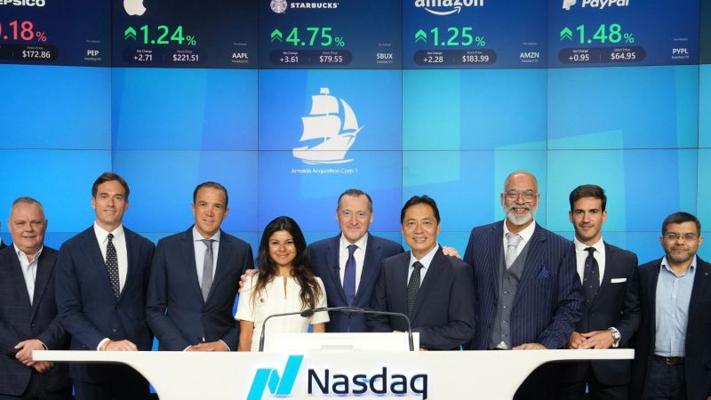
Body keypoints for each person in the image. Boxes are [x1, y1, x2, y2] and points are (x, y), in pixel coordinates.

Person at [463, 170, 582, 399]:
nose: (520, 201)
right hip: (481, 362)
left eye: (528, 194)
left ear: (537, 199)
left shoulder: (560, 248)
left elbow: (571, 305)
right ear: (502, 199)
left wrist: (545, 346)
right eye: (512, 194)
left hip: (534, 366)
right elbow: (465, 294)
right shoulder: (479, 237)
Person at [55, 172, 155, 400]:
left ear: (126, 204)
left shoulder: (145, 248)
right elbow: (68, 310)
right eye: (104, 196)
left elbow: (152, 306)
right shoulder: (71, 250)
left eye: (118, 197)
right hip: (89, 365)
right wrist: (105, 343)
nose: (110, 203)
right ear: (93, 201)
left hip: (135, 365)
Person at [146, 181, 254, 351]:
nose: (209, 212)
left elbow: (250, 310)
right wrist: (184, 348)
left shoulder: (241, 250)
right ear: (193, 208)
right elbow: (154, 309)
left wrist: (225, 344)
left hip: (221, 355)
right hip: (176, 354)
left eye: (217, 206)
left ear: (226, 212)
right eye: (203, 204)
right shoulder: (167, 248)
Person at [560, 185, 640, 400]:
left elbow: (634, 313)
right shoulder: (556, 257)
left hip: (612, 369)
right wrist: (565, 334)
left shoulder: (626, 260)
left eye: (593, 211)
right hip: (564, 367)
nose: (586, 219)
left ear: (604, 215)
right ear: (570, 216)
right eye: (580, 212)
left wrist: (613, 335)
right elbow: (544, 308)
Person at [368, 195, 475, 350]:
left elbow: (464, 328)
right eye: (411, 223)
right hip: (395, 359)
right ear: (402, 228)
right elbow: (376, 318)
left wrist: (415, 338)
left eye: (426, 223)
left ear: (438, 227)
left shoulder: (457, 270)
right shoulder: (389, 266)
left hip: (438, 361)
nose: (418, 230)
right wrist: (397, 344)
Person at [630, 212, 710, 400]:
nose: (680, 242)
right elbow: (632, 318)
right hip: (651, 372)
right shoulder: (643, 274)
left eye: (688, 236)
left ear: (700, 241)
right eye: (672, 236)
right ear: (662, 240)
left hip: (698, 374)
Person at [0, 197, 70, 400]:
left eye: (35, 222)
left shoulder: (65, 262)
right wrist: (28, 353)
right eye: (21, 223)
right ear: (9, 225)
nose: (28, 229)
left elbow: (70, 311)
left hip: (54, 378)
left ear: (45, 224)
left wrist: (43, 346)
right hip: (7, 380)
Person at [308, 189, 403, 332]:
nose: (354, 221)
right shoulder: (316, 252)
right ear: (337, 215)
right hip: (329, 341)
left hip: (375, 340)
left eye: (361, 214)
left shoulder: (391, 252)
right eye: (346, 213)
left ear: (371, 217)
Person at [236, 216, 328, 351]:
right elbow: (245, 336)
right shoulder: (252, 282)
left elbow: (319, 337)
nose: (282, 249)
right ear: (267, 246)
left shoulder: (314, 284)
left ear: (298, 245)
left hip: (297, 361)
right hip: (260, 361)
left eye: (289, 242)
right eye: (275, 243)